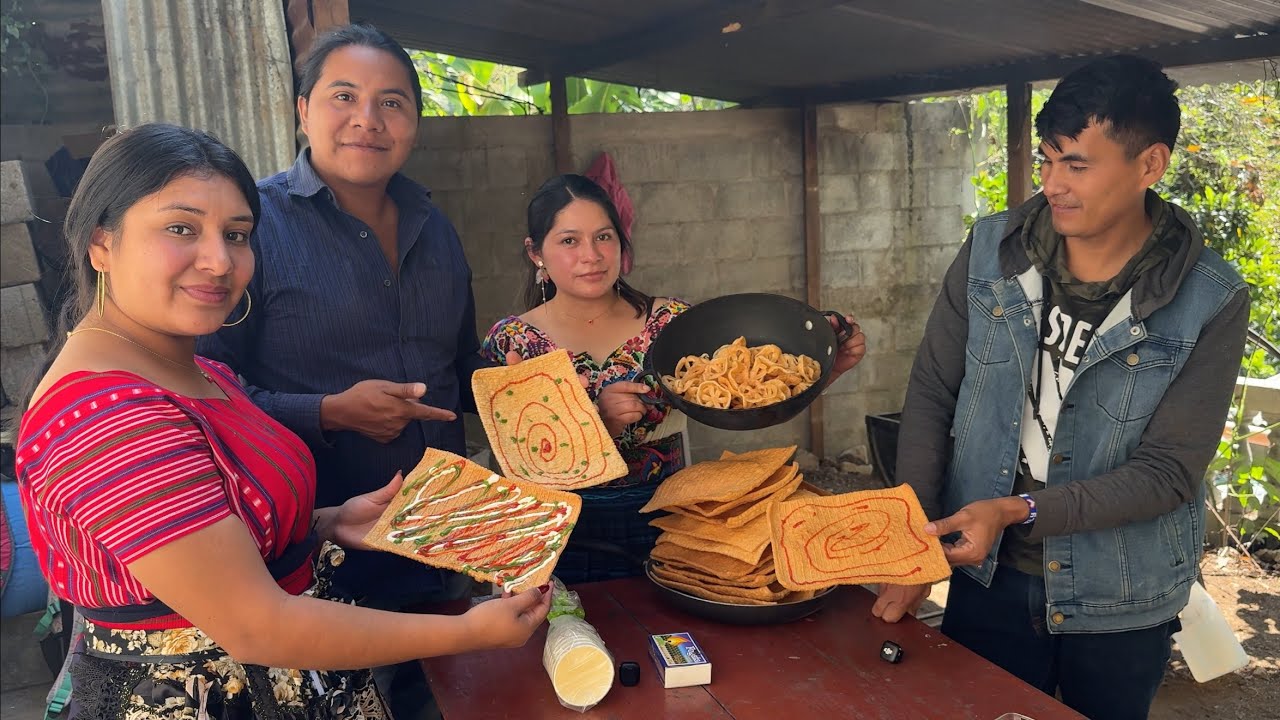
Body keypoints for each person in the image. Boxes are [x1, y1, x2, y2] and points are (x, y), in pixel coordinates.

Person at [15, 123, 552, 719]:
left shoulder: (196, 370)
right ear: (100, 243)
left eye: (237, 234)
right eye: (180, 228)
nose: (219, 260)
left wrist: (327, 522)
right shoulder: (104, 416)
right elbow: (255, 625)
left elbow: (214, 536)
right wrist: (469, 634)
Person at [874, 55, 1250, 720]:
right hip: (985, 574)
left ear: (1150, 165)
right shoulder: (994, 250)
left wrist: (1018, 511)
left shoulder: (1206, 299)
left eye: (1077, 164)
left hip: (1120, 596)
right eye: (1047, 161)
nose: (1053, 184)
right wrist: (910, 540)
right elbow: (933, 390)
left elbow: (1167, 473)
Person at [195, 24, 484, 717]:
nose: (367, 120)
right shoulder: (253, 228)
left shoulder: (433, 225)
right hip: (320, 555)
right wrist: (329, 411)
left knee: (445, 703)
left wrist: (570, 403)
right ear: (302, 110)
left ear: (413, 123)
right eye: (344, 96)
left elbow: (467, 364)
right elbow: (207, 399)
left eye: (392, 103)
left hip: (443, 536)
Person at [481, 174, 868, 583]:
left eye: (604, 237)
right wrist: (598, 425)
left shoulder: (670, 323)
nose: (591, 255)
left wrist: (827, 371)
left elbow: (746, 403)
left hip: (670, 518)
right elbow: (518, 463)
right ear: (535, 252)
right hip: (559, 532)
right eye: (569, 241)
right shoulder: (514, 342)